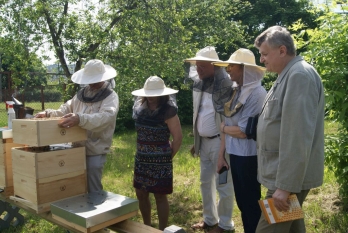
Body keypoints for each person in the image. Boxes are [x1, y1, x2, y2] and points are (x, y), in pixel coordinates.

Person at [254, 26, 325, 233]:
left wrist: (284, 187)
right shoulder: (288, 74)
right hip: (284, 175)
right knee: (293, 229)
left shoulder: (299, 76)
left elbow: (297, 135)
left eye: (265, 54)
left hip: (286, 180)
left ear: (282, 51)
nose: (262, 60)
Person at [35, 59, 119, 194]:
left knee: (93, 188)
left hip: (96, 148)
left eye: (95, 79)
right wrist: (47, 113)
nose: (92, 83)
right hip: (76, 148)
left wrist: (80, 118)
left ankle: (96, 212)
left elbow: (106, 118)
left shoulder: (111, 96)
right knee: (75, 185)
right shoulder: (81, 94)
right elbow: (65, 110)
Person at [212, 48, 267, 233]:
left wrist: (224, 129)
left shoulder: (257, 93)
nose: (228, 69)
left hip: (249, 156)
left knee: (251, 203)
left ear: (244, 68)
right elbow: (231, 127)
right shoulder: (238, 91)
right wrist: (222, 154)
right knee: (243, 202)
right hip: (235, 154)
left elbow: (244, 131)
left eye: (232, 66)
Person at [185, 46, 234, 233]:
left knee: (224, 184)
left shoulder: (227, 85)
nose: (198, 70)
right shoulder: (201, 83)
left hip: (221, 143)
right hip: (204, 143)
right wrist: (197, 140)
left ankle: (225, 224)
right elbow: (201, 113)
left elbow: (227, 118)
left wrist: (223, 147)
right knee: (205, 182)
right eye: (197, 66)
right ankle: (209, 219)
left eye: (202, 66)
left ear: (214, 66)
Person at [131, 76, 183, 231]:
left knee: (160, 195)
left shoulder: (169, 111)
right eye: (149, 94)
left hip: (161, 161)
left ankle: (161, 230)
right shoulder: (140, 108)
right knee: (141, 193)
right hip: (141, 159)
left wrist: (166, 157)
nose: (151, 98)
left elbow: (178, 137)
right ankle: (147, 227)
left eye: (155, 94)